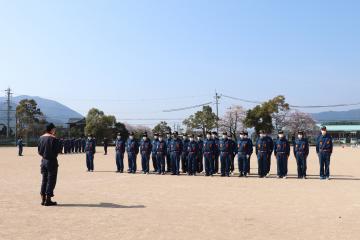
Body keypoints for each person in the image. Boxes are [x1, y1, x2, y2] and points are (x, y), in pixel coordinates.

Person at [38, 123, 60, 206]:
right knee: (51, 180)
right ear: (51, 129)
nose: (55, 130)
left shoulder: (41, 138)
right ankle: (48, 200)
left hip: (43, 161)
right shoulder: (53, 138)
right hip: (52, 161)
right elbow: (57, 150)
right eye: (54, 129)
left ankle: (43, 199)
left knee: (44, 180)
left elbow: (39, 151)